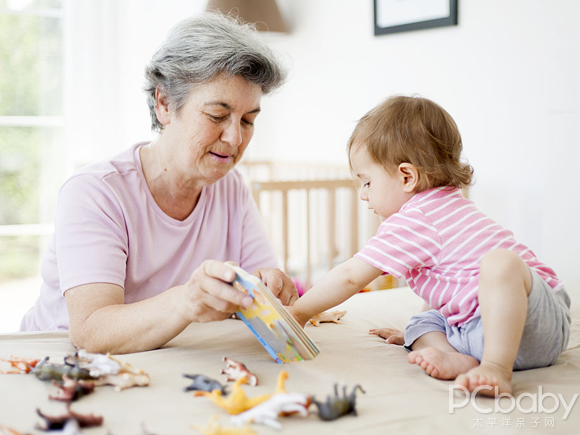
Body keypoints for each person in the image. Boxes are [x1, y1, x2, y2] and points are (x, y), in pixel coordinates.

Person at [20, 12, 298, 354]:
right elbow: (91, 330)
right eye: (217, 115)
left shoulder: (231, 187)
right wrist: (188, 300)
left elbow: (261, 286)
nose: (235, 137)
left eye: (248, 120)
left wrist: (271, 286)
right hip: (57, 363)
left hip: (158, 361)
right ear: (164, 103)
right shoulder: (95, 192)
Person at [289, 95, 571, 396]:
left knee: (499, 262)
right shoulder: (446, 205)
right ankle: (457, 357)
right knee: (420, 324)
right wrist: (419, 331)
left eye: (367, 182)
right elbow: (446, 287)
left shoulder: (418, 217)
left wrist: (299, 312)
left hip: (533, 319)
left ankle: (495, 369)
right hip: (485, 331)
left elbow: (350, 275)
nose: (363, 194)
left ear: (407, 176)